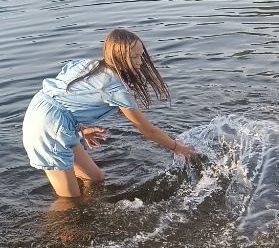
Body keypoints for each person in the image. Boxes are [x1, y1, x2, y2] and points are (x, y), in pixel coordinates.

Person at [22, 27, 197, 198]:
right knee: (70, 201)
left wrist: (78, 128)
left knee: (96, 179)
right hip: (48, 129)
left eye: (141, 55)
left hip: (47, 116)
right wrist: (178, 148)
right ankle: (59, 225)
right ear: (118, 57)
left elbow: (65, 96)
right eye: (134, 57)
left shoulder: (88, 64)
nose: (140, 61)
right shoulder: (115, 88)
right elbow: (147, 130)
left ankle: (91, 215)